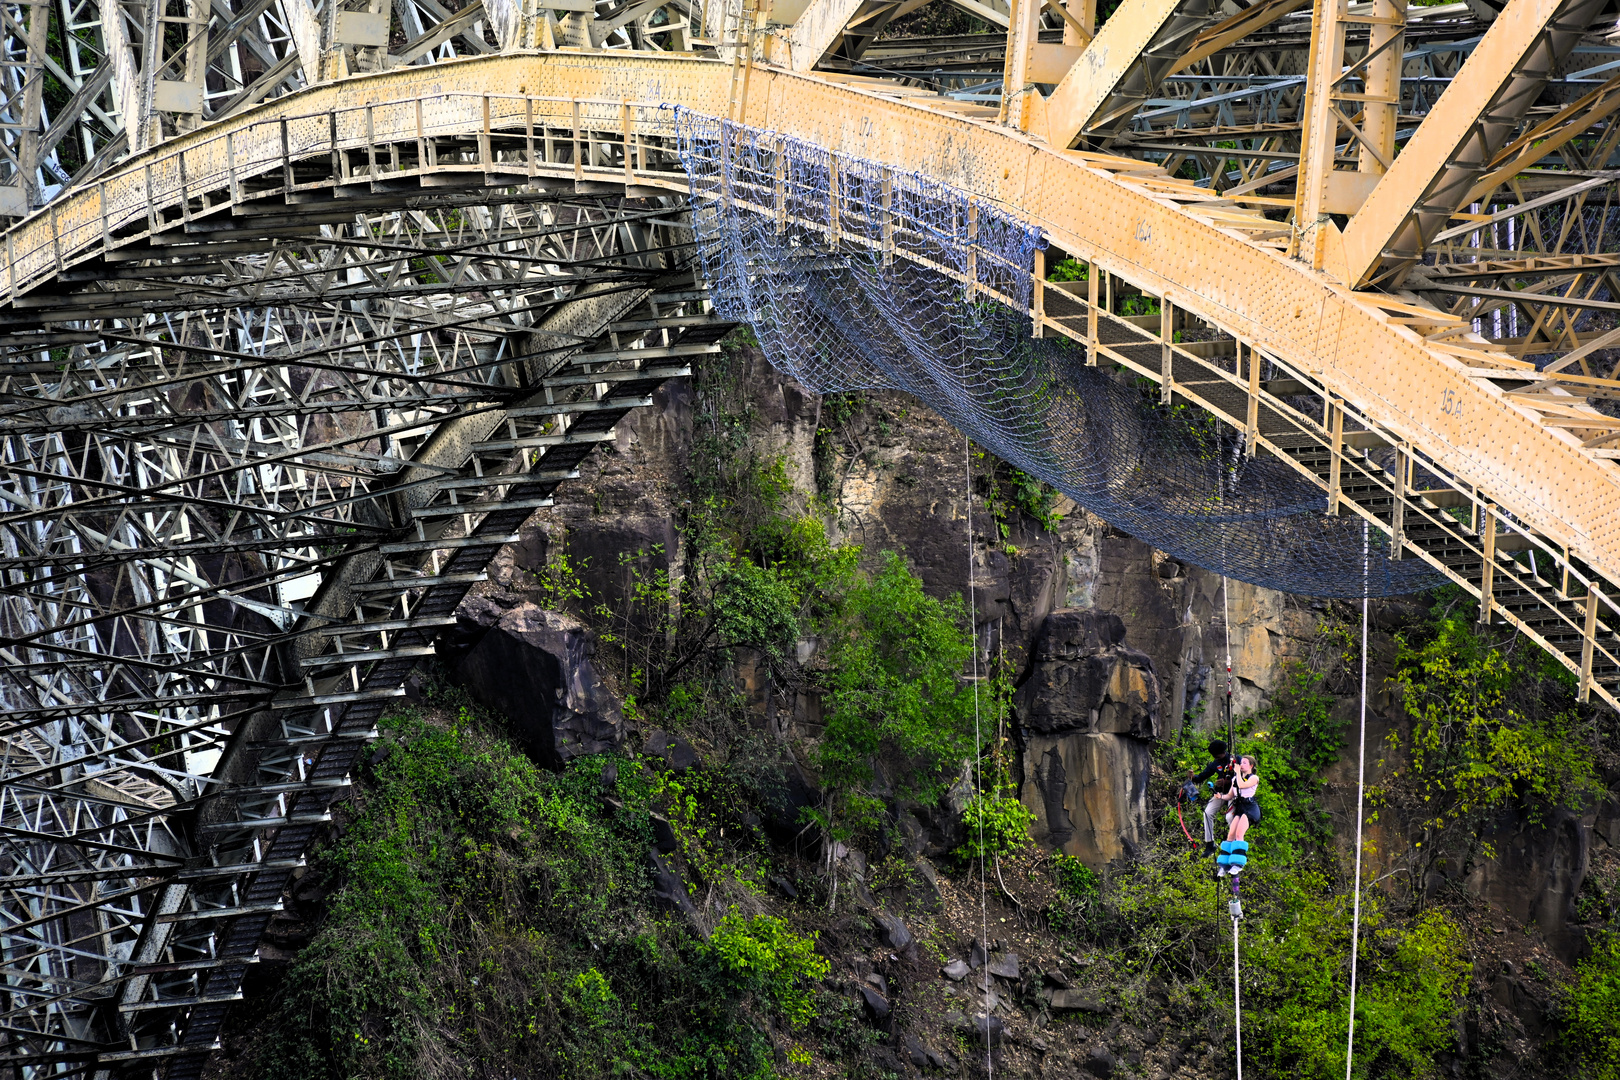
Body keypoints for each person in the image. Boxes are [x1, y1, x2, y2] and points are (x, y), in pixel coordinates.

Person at [1187, 740, 1236, 855]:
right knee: (1207, 813)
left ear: (1223, 752)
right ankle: (1210, 844)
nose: (1215, 758)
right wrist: (1193, 777)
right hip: (1221, 793)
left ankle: (1234, 844)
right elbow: (1201, 777)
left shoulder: (1235, 760)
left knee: (1229, 817)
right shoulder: (1215, 764)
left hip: (1234, 793)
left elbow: (1244, 776)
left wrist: (1226, 781)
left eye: (1217, 756)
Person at [1220, 755, 1261, 843]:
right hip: (1240, 807)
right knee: (1231, 834)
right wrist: (1220, 796)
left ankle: (1239, 855)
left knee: (1239, 834)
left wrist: (1238, 772)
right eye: (1241, 763)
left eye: (1244, 763)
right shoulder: (1235, 779)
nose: (1241, 765)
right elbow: (1230, 795)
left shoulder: (1254, 778)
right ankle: (1226, 855)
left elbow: (1242, 785)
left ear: (1251, 766)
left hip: (1249, 808)